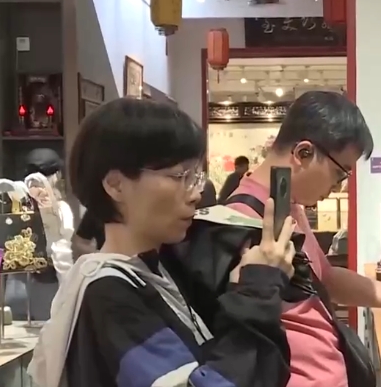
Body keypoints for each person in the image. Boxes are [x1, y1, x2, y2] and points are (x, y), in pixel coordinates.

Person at [29, 98, 294, 387]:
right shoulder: (108, 293)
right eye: (180, 176)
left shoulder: (156, 268)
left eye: (196, 176)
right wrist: (257, 292)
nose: (195, 194)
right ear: (116, 184)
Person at [225, 91, 381, 387]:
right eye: (339, 174)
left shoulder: (289, 206)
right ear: (303, 153)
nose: (338, 187)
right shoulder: (240, 219)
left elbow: (326, 276)